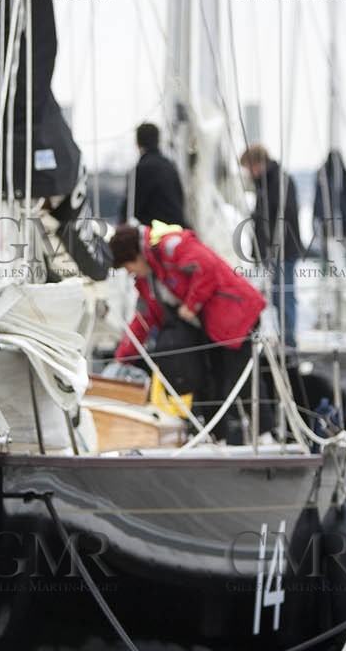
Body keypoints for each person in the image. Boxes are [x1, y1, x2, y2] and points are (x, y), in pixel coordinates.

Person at [110, 222, 266, 441]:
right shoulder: (150, 279)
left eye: (128, 267)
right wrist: (121, 360)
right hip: (213, 328)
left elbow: (207, 267)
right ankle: (216, 436)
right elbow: (143, 321)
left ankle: (266, 434)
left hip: (236, 315)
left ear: (135, 256)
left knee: (240, 377)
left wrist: (190, 306)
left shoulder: (172, 246)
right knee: (211, 381)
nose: (130, 273)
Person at [239, 144, 303, 348]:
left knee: (284, 295)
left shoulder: (279, 181)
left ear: (259, 163)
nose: (249, 173)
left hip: (283, 250)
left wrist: (273, 243)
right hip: (271, 252)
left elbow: (286, 214)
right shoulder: (264, 183)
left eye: (249, 168)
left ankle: (289, 340)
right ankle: (283, 337)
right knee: (276, 296)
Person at [125, 122, 187, 228]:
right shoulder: (170, 166)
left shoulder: (140, 169)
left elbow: (131, 208)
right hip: (178, 230)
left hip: (155, 234)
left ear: (137, 143)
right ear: (158, 141)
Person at [312, 150, 346, 259]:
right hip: (331, 230)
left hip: (345, 230)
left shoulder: (345, 181)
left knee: (343, 262)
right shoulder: (323, 182)